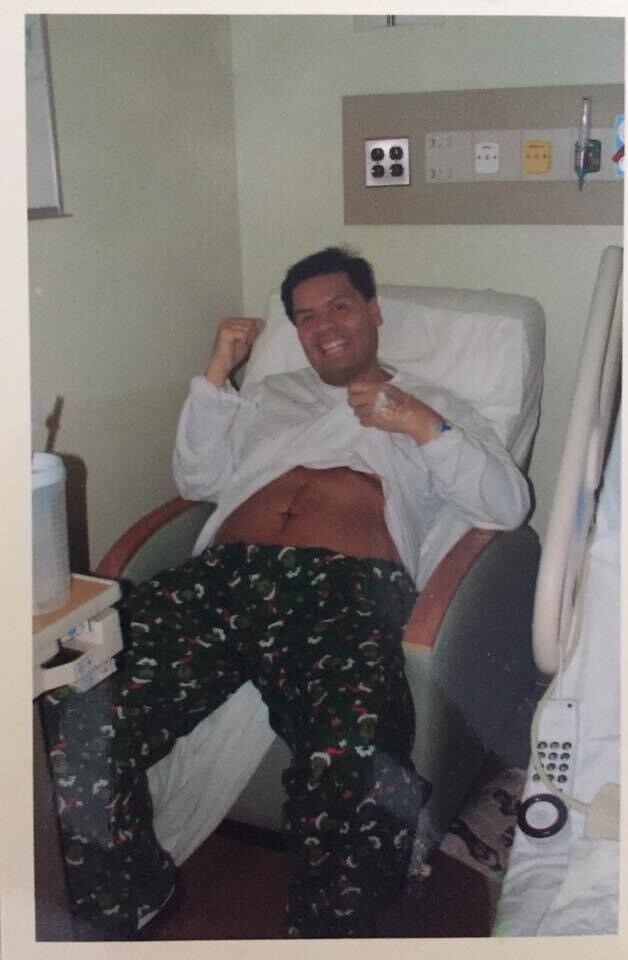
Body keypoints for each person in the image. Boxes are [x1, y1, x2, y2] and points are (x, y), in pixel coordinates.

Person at [41, 247, 530, 939]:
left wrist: (418, 423)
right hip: (220, 578)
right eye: (305, 317)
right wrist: (217, 373)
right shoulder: (275, 395)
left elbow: (505, 504)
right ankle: (132, 894)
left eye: (339, 307)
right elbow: (199, 478)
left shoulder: (435, 405)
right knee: (74, 709)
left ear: (373, 311)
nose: (324, 326)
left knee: (352, 759)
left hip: (342, 589)